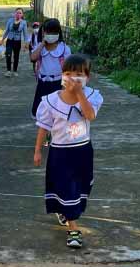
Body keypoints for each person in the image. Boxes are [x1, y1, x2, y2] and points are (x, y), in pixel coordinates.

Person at [33, 55, 103, 249]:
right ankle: (74, 229)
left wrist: (79, 94)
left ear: (87, 77)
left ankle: (66, 211)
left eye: (79, 74)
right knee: (67, 188)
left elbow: (90, 115)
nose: (72, 78)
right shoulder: (50, 101)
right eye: (68, 73)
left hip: (82, 151)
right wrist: (38, 150)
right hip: (60, 154)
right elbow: (43, 127)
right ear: (62, 75)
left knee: (82, 188)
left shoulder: (92, 96)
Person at [29, 18, 72, 118]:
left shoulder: (64, 49)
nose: (50, 34)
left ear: (58, 33)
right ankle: (44, 132)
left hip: (57, 84)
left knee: (57, 113)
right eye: (48, 32)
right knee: (42, 114)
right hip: (43, 84)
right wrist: (43, 43)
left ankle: (53, 133)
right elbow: (33, 58)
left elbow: (68, 71)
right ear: (44, 32)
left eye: (53, 32)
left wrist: (64, 88)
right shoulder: (41, 47)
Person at [1, 8, 30, 78]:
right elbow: (7, 31)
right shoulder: (10, 21)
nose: (18, 14)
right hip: (10, 40)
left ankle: (15, 71)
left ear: (22, 14)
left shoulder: (23, 22)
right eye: (17, 12)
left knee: (16, 56)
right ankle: (8, 71)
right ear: (14, 13)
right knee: (8, 54)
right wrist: (2, 39)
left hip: (17, 41)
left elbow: (25, 34)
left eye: (20, 13)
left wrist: (26, 43)